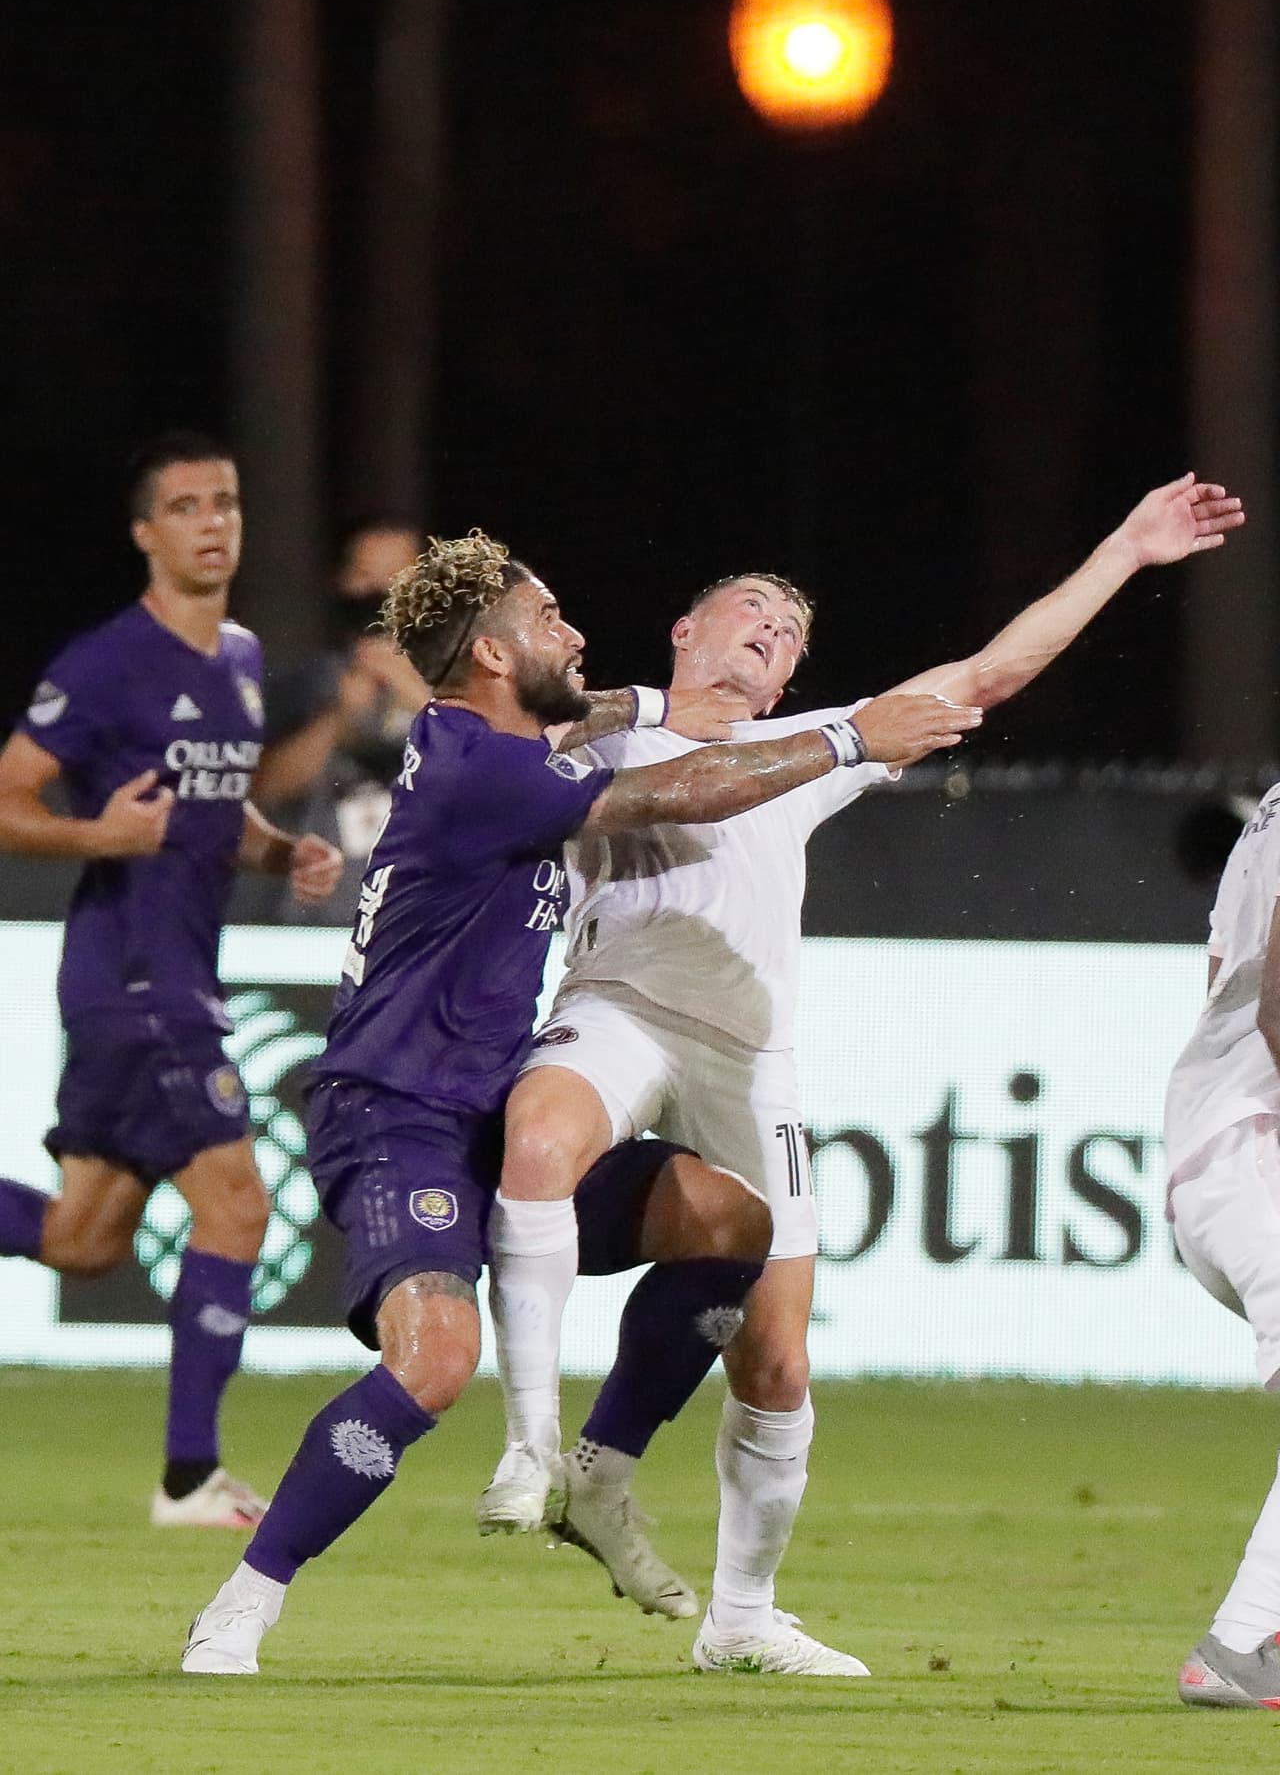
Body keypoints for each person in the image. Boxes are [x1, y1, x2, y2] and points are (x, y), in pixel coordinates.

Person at [478, 472, 1246, 1677]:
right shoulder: (598, 731)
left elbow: (987, 677)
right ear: (685, 631)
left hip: (747, 1057)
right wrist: (612, 694)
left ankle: (738, 1619)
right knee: (538, 1129)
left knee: (776, 1354)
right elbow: (479, 717)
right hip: (617, 1007)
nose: (766, 637)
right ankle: (528, 1442)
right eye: (746, 613)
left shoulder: (813, 749)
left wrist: (1125, 550)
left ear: (789, 682)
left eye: (785, 638)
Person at [181, 529, 975, 1674]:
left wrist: (652, 695)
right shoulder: (482, 771)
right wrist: (845, 736)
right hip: (396, 1111)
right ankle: (244, 1604)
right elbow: (677, 791)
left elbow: (594, 720)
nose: (573, 632)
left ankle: (596, 1467)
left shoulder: (492, 739)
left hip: (486, 1107)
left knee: (729, 1222)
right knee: (435, 1359)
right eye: (550, 618)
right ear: (496, 657)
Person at [0, 431, 344, 1527]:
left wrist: (279, 849)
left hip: (172, 978)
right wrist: (98, 834)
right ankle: (189, 1477)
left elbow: (213, 808)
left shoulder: (240, 659)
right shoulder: (103, 664)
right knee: (236, 1209)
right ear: (147, 533)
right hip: (135, 982)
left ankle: (189, 1476)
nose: (212, 522)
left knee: (82, 1242)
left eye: (226, 503)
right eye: (187, 506)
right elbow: (10, 798)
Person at [1169, 781, 1280, 1708]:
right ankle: (1243, 1647)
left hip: (1218, 1156)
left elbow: (1223, 986)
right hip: (1256, 1153)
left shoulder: (1270, 813)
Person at [244, 515, 430, 926]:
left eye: (396, 579)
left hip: (423, 922)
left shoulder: (466, 683)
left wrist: (419, 698)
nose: (380, 595)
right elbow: (264, 790)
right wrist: (338, 722)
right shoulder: (309, 683)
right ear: (343, 583)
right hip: (321, 920)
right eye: (366, 578)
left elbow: (503, 772)